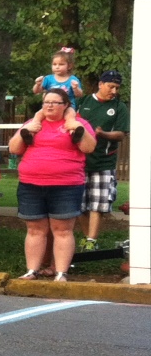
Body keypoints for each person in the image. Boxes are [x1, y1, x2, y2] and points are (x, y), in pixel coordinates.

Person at [9, 89, 96, 282]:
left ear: (65, 105)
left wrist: (74, 125)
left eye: (55, 102)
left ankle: (61, 273)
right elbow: (14, 149)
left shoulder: (78, 124)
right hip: (31, 184)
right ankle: (32, 270)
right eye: (46, 102)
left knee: (63, 230)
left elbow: (89, 147)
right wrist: (29, 128)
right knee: (34, 229)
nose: (49, 105)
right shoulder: (33, 124)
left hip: (66, 185)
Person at [74, 70, 129, 251]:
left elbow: (121, 134)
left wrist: (102, 134)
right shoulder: (84, 102)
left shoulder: (119, 107)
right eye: (111, 86)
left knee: (97, 204)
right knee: (80, 204)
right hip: (80, 161)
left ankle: (92, 240)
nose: (114, 91)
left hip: (104, 162)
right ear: (100, 84)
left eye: (117, 87)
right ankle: (85, 237)